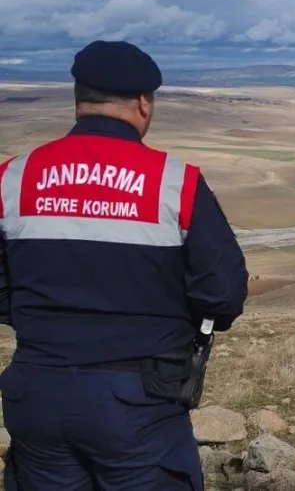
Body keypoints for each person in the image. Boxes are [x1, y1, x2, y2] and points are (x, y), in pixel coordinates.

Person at [0, 40, 250, 490]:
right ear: (143, 103)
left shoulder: (13, 178)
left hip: (37, 391)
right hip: (140, 402)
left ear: (78, 101)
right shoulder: (176, 183)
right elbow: (224, 293)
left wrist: (43, 323)